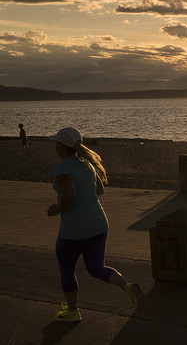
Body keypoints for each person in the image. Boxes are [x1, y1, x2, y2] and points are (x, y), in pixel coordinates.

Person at [47, 127, 145, 322]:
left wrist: (57, 209)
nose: (55, 146)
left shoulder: (63, 169)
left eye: (56, 143)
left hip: (75, 229)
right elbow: (99, 190)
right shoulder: (88, 165)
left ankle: (73, 312)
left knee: (67, 269)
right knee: (97, 267)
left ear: (61, 146)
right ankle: (127, 286)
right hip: (99, 224)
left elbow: (69, 195)